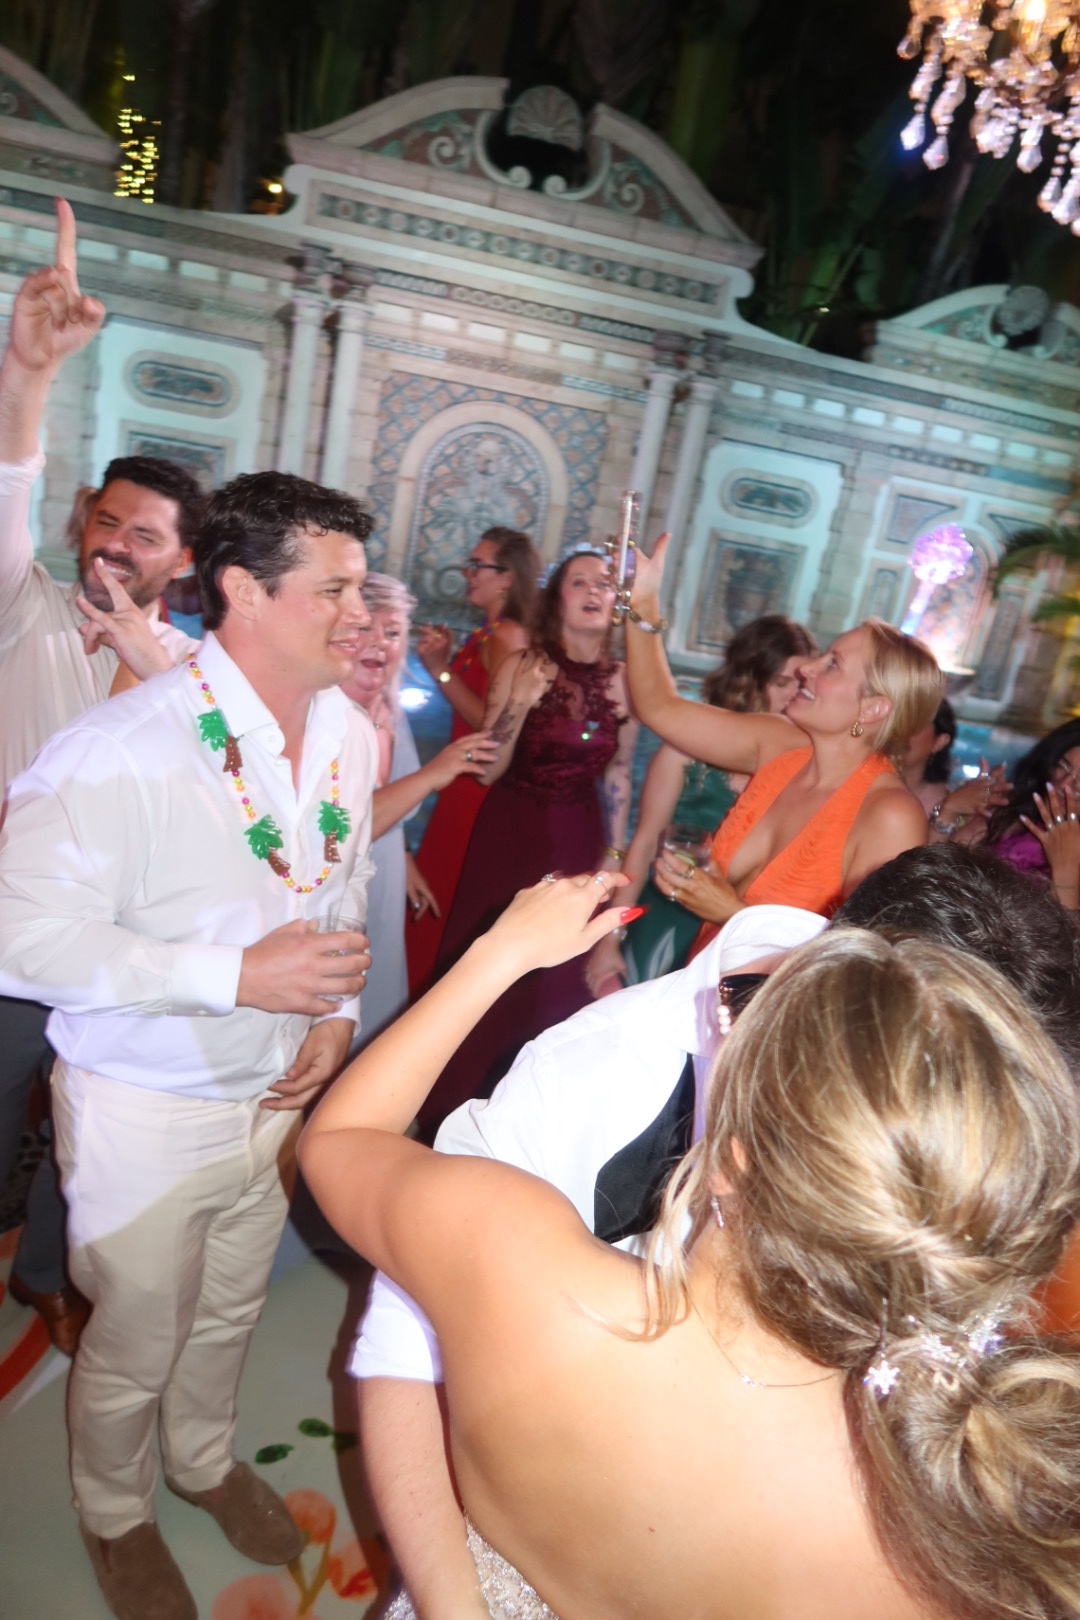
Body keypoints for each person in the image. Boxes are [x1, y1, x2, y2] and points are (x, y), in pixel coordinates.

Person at [300, 870, 1080, 1620]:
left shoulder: (514, 1258)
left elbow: (341, 1138)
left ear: (728, 1164)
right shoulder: (954, 1535)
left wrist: (501, 952)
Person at [0, 469, 379, 1620]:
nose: (360, 614)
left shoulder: (348, 733)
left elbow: (340, 880)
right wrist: (235, 977)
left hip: (275, 1097)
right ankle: (114, 1512)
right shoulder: (121, 748)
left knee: (229, 1310)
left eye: (361, 588)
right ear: (243, 591)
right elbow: (19, 937)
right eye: (335, 589)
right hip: (145, 1104)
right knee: (134, 1333)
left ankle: (202, 1460)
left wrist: (332, 1015)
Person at [0, 200, 204, 1356]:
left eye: (145, 535)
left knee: (86, 1134)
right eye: (106, 521)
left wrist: (151, 677)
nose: (115, 544)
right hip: (7, 930)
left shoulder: (190, 673)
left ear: (184, 560)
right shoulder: (21, 604)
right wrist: (30, 376)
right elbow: (8, 489)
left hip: (111, 949)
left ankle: (43, 1273)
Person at [417, 546, 638, 1135]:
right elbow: (487, 770)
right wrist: (519, 702)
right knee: (488, 968)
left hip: (579, 837)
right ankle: (446, 1113)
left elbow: (618, 775)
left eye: (605, 583)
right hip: (511, 834)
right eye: (579, 582)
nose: (594, 591)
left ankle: (523, 1125)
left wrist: (613, 859)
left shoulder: (625, 681)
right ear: (556, 598)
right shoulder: (522, 663)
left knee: (555, 981)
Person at [624, 534, 942, 928]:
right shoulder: (778, 744)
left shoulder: (890, 816)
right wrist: (643, 600)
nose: (805, 669)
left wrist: (731, 914)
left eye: (832, 665)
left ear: (873, 708)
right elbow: (659, 707)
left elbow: (863, 955)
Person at [586, 614, 814, 995]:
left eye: (802, 683)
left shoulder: (804, 768)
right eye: (782, 682)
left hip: (734, 931)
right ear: (748, 681)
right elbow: (644, 843)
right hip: (663, 916)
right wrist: (609, 936)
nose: (795, 694)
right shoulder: (684, 751)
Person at [340, 572, 496, 1043]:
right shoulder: (320, 713)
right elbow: (341, 830)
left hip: (385, 869)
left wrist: (403, 858)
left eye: (392, 632)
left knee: (377, 996)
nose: (379, 643)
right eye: (364, 628)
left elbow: (389, 802)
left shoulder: (389, 709)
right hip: (334, 881)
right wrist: (434, 773)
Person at [407, 526, 539, 992]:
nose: (468, 573)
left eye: (478, 565)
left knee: (448, 895)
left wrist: (440, 670)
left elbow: (495, 725)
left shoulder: (509, 636)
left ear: (507, 578)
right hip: (462, 781)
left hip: (478, 785)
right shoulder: (491, 632)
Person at [979, 717, 1080, 912]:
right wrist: (949, 813)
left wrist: (1066, 870)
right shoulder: (1015, 815)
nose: (1065, 784)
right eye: (1063, 766)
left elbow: (1066, 931)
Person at [897, 696, 1010, 837]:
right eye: (895, 722)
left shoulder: (964, 808)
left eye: (914, 724)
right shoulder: (872, 788)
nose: (898, 732)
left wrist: (965, 820)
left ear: (939, 742)